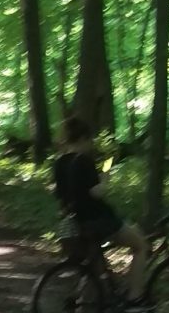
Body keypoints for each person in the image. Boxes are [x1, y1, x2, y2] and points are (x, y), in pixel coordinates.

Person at [52, 114, 151, 299]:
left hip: (77, 222)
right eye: (90, 139)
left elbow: (59, 193)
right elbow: (97, 192)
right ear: (83, 138)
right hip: (98, 219)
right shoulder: (83, 160)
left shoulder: (59, 163)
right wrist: (106, 177)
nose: (91, 144)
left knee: (94, 268)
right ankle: (135, 296)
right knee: (141, 245)